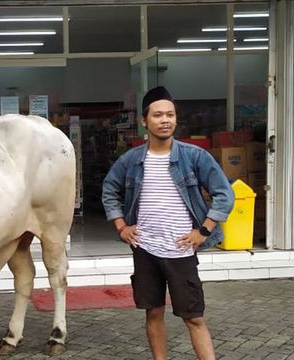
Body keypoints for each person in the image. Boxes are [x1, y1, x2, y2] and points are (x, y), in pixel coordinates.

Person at [101, 86, 235, 360]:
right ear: (144, 121)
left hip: (181, 250)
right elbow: (109, 190)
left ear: (176, 118)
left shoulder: (194, 156)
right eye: (158, 115)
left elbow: (225, 193)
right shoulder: (132, 160)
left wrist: (204, 230)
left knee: (194, 317)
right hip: (145, 249)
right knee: (153, 312)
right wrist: (121, 227)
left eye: (170, 115)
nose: (165, 120)